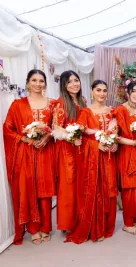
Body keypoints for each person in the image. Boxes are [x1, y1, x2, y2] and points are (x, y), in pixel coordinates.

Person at [3, 69, 58, 245]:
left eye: (41, 81)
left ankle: (46, 228)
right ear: (27, 82)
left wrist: (47, 137)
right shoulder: (18, 105)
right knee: (30, 189)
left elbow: (57, 126)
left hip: (46, 152)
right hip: (26, 154)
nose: (38, 84)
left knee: (45, 191)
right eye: (34, 80)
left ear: (45, 84)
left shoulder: (52, 104)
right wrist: (25, 139)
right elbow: (7, 128)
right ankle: (34, 229)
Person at [65, 80, 119, 244]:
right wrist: (97, 145)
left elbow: (116, 131)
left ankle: (104, 226)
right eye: (98, 90)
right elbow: (79, 136)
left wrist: (114, 142)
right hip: (92, 158)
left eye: (104, 90)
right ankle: (93, 228)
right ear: (92, 92)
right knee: (95, 190)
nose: (102, 93)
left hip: (109, 157)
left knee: (108, 189)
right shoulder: (85, 112)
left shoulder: (112, 112)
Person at [52, 70, 86, 234]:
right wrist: (72, 138)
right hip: (67, 150)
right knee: (68, 185)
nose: (74, 84)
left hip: (82, 148)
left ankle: (80, 219)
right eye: (70, 82)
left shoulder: (83, 101)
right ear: (64, 85)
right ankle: (67, 223)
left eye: (76, 80)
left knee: (81, 184)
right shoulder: (61, 103)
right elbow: (56, 129)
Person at [112, 82, 136, 235]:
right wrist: (132, 142)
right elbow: (114, 136)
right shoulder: (120, 110)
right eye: (134, 91)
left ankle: (133, 219)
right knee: (129, 187)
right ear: (127, 93)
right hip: (127, 151)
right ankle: (127, 222)